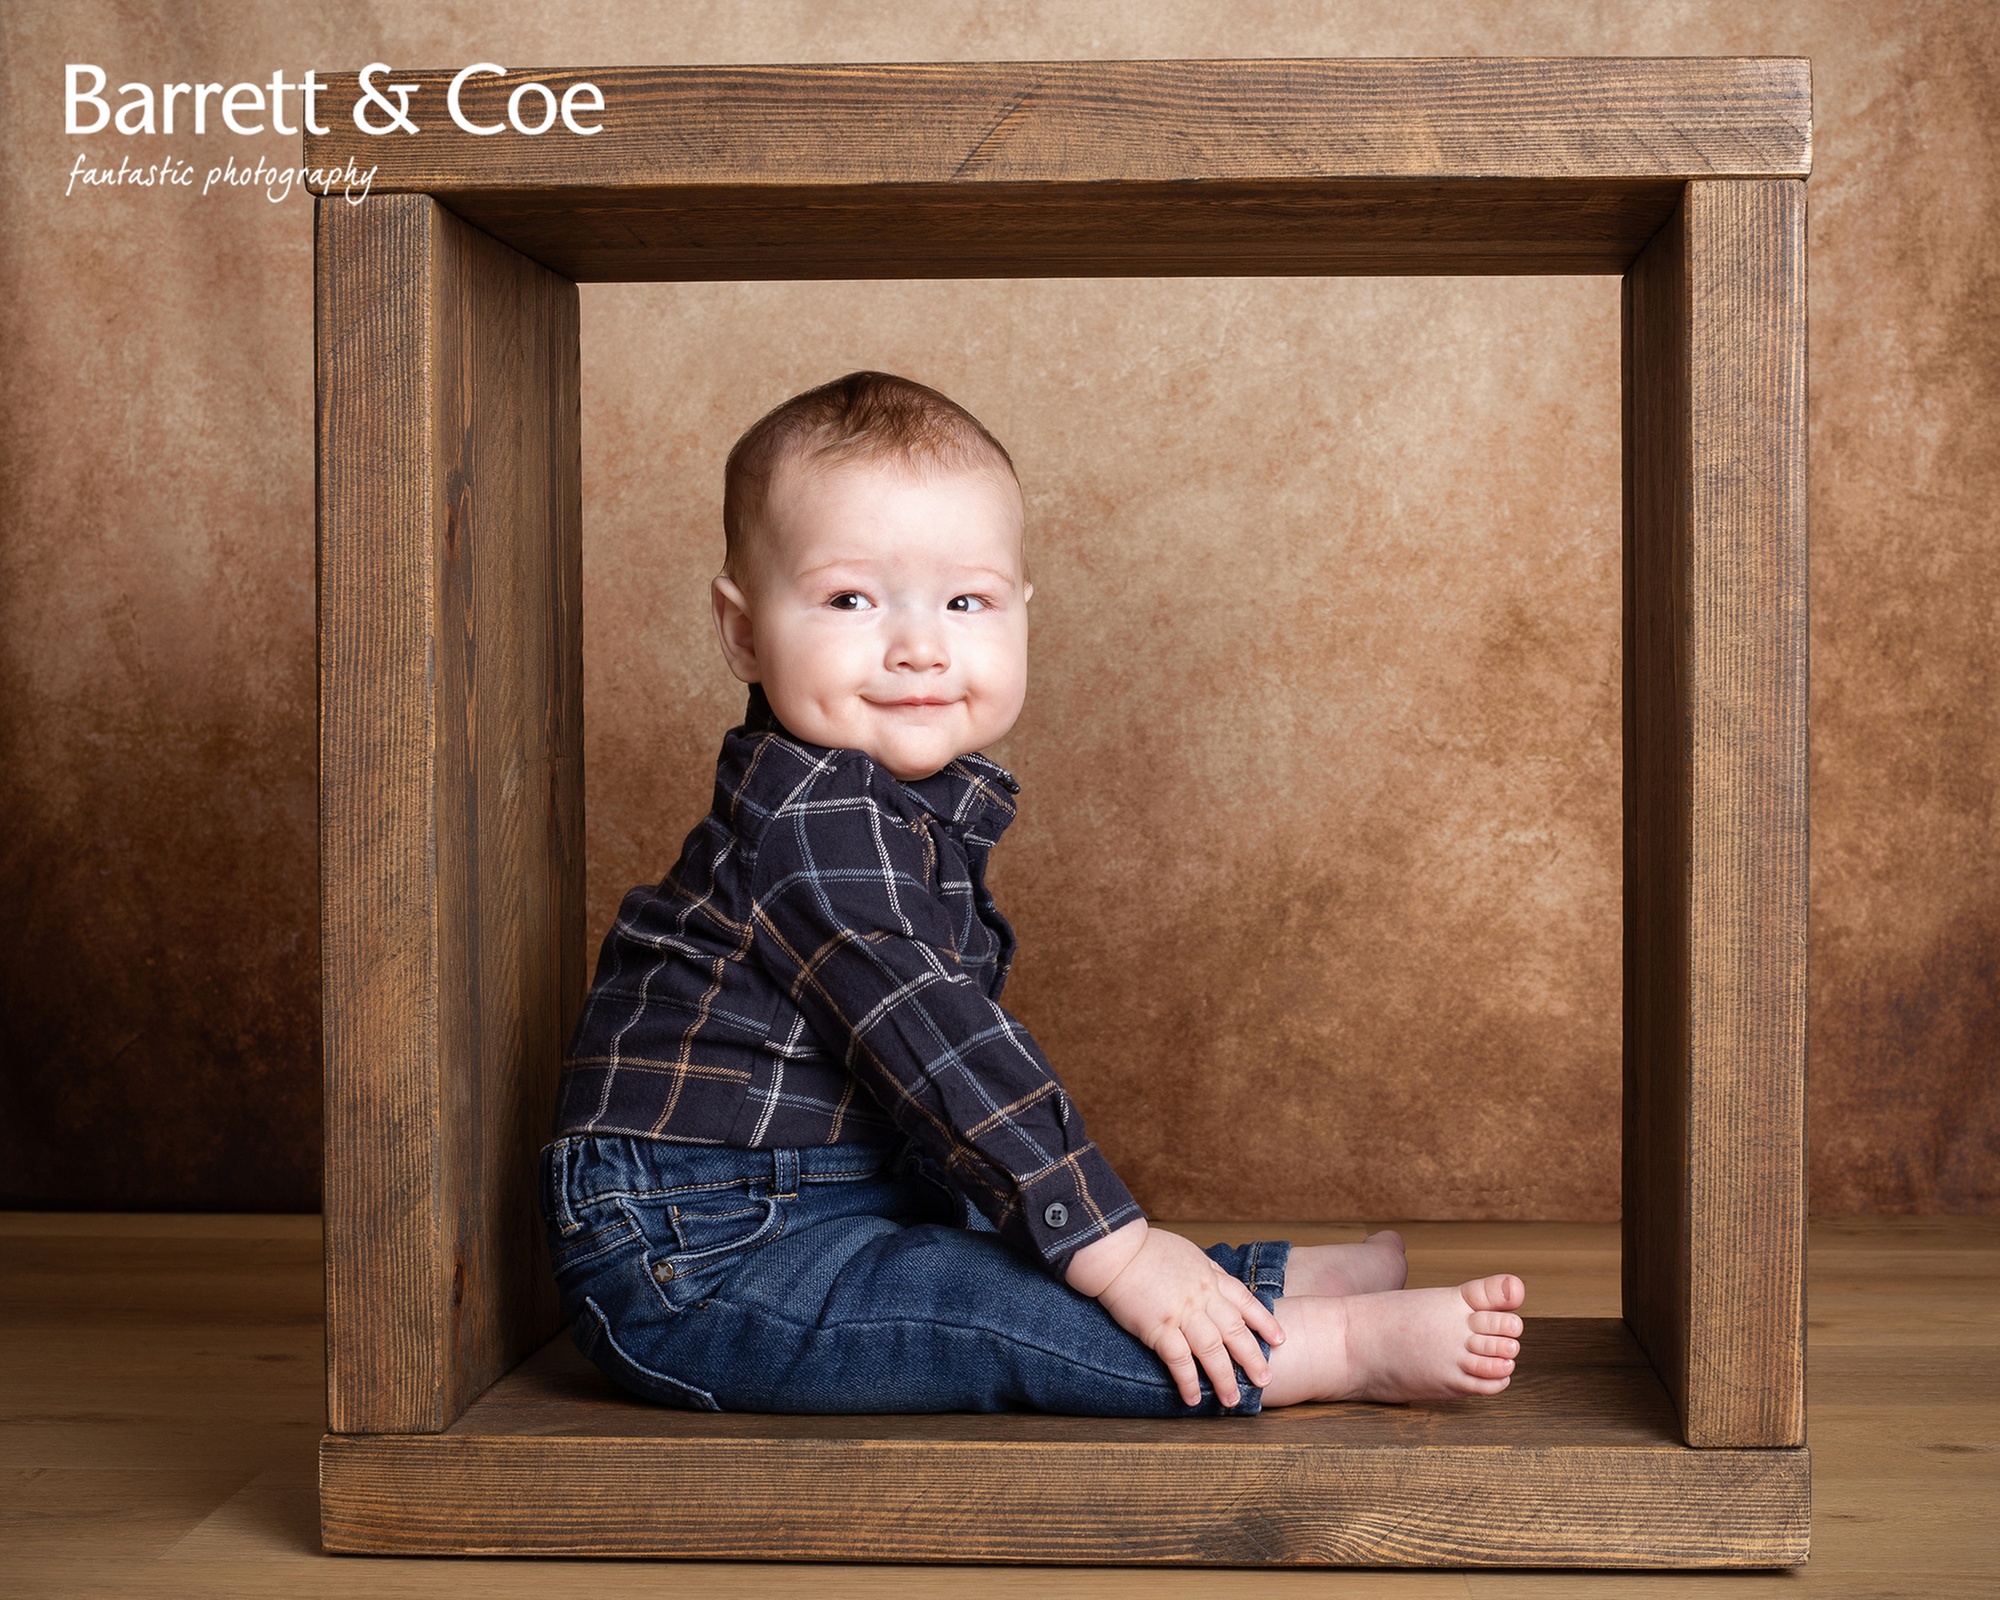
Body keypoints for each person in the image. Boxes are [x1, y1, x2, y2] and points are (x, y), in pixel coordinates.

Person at [538, 370, 1525, 1416]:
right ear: (742, 631)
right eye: (849, 600)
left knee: (986, 1245)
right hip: (699, 1253)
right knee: (972, 1314)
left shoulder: (877, 804)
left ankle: (1248, 1287)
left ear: (1021, 612)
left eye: (965, 601)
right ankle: (1318, 1348)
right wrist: (1116, 1248)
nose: (920, 647)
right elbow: (946, 1050)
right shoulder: (812, 826)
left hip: (831, 1192)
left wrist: (1098, 1238)